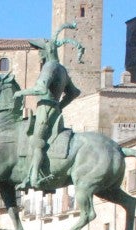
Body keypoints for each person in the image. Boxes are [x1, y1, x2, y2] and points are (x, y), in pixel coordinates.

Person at [14, 24, 84, 191]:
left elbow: (41, 89)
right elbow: (74, 92)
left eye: (40, 50)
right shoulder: (62, 69)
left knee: (37, 142)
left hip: (45, 108)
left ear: (48, 50)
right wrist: (59, 105)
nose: (39, 54)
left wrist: (20, 93)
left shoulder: (49, 67)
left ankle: (34, 177)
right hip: (54, 109)